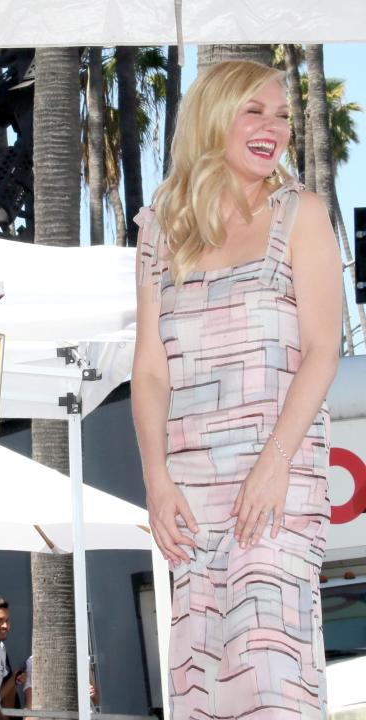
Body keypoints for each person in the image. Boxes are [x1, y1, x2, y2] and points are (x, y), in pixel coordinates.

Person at [131, 59, 341, 718]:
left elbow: (322, 349)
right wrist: (156, 481)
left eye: (281, 115)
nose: (272, 128)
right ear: (214, 119)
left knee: (269, 667)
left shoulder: (300, 213)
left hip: (277, 482)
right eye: (255, 111)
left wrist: (274, 465)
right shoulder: (161, 225)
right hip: (192, 489)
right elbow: (149, 367)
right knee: (203, 678)